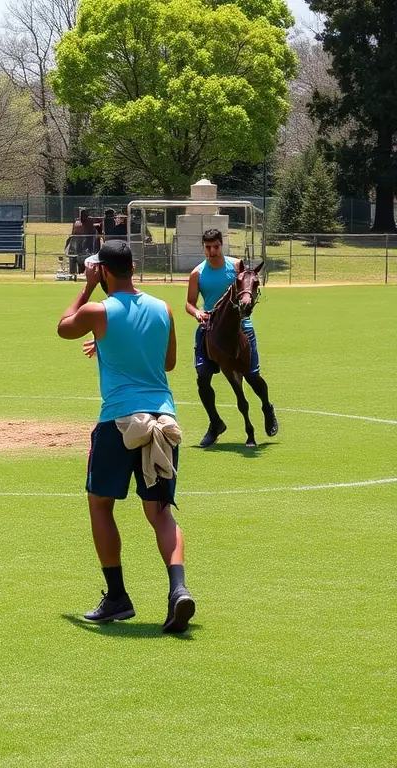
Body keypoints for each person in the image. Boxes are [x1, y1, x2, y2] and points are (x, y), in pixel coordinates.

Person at [57, 240, 195, 634]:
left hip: (119, 421)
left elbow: (64, 327)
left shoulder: (97, 311)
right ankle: (178, 591)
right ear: (133, 267)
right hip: (163, 420)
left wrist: (85, 288)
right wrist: (106, 345)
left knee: (100, 504)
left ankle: (117, 597)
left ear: (102, 271)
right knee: (160, 512)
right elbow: (166, 363)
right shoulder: (163, 307)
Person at [186, 228, 278, 448]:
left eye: (216, 247)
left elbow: (249, 286)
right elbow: (189, 303)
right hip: (210, 327)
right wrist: (197, 312)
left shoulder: (236, 266)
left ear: (221, 245)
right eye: (208, 247)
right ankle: (215, 423)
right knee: (203, 377)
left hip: (241, 326)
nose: (212, 251)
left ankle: (267, 407)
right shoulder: (197, 273)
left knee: (253, 376)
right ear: (204, 247)